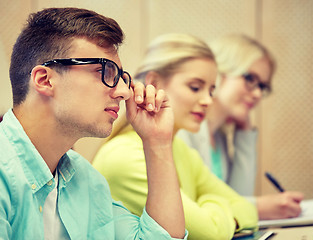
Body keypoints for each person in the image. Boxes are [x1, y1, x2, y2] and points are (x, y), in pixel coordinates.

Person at [0, 7, 187, 239]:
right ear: (45, 80)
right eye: (104, 71)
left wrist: (157, 142)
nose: (124, 92)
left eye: (121, 77)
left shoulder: (84, 179)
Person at [93, 33, 258, 240]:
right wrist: (215, 204)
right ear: (153, 82)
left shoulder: (181, 149)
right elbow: (210, 234)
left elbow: (247, 209)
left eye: (211, 90)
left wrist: (210, 210)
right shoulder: (125, 156)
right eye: (195, 87)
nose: (208, 100)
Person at [178, 34, 304, 220]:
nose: (257, 94)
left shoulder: (218, 137)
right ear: (219, 72)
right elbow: (187, 211)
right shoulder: (184, 129)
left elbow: (238, 197)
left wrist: (245, 133)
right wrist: (258, 209)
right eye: (250, 79)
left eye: (262, 86)